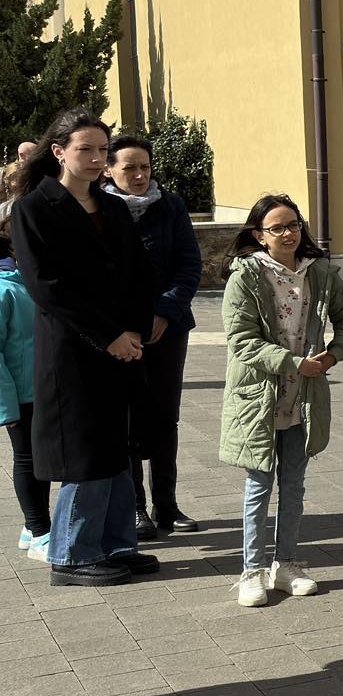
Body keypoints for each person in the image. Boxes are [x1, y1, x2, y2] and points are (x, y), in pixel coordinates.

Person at [12, 111, 157, 587]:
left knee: (117, 446)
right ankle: (71, 555)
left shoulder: (112, 207)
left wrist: (134, 331)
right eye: (86, 150)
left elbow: (138, 273)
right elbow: (48, 288)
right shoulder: (34, 209)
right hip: (73, 351)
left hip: (122, 347)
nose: (97, 160)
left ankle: (115, 544)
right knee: (85, 452)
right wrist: (109, 335)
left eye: (102, 151)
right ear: (59, 152)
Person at [220, 195, 343, 608]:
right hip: (258, 398)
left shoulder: (317, 272)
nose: (288, 234)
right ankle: (250, 571)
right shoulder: (245, 276)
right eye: (277, 228)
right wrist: (293, 362)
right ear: (259, 236)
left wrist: (334, 354)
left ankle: (285, 564)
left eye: (294, 225)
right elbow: (241, 341)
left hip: (303, 399)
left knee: (295, 486)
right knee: (258, 486)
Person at [104, 133, 203, 538]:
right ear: (110, 170)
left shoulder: (171, 205)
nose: (139, 175)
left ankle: (167, 506)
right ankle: (135, 510)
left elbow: (189, 264)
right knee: (126, 421)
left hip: (168, 330)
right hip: (117, 334)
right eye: (129, 168)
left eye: (144, 166)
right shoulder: (99, 209)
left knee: (165, 418)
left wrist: (165, 312)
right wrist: (122, 324)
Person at [0, 205, 50, 561]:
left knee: (43, 460)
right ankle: (38, 530)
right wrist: (7, 407)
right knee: (28, 459)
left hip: (49, 386)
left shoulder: (42, 280)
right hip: (22, 393)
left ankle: (33, 523)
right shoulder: (5, 289)